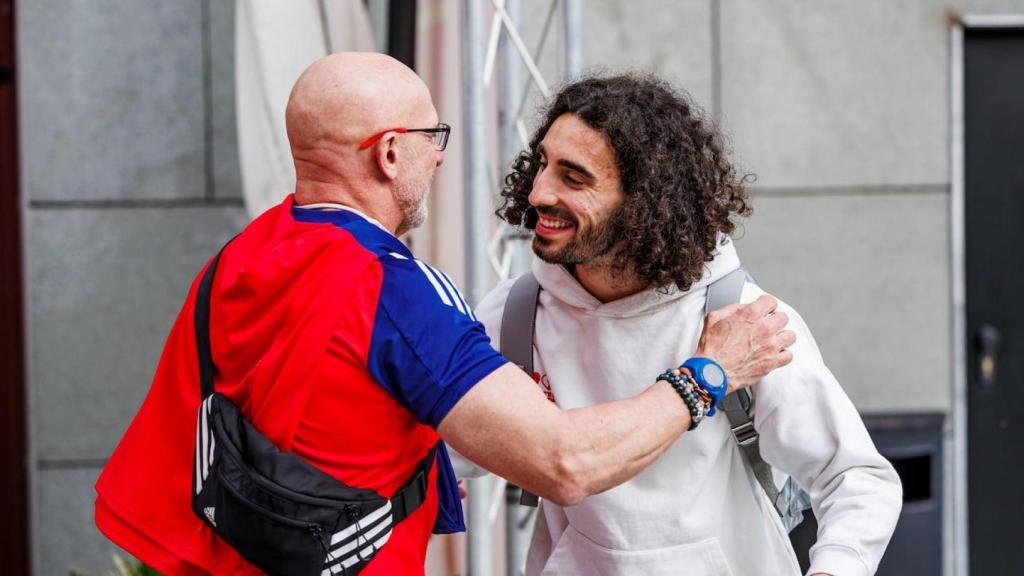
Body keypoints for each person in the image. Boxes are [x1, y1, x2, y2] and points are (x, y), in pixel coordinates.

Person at [93, 54, 793, 575]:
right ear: (391, 152)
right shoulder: (397, 292)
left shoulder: (236, 261)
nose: (439, 156)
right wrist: (710, 372)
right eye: (435, 136)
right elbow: (564, 462)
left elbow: (322, 412)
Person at [471, 74, 903, 576]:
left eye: (573, 177)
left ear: (642, 201)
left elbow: (855, 477)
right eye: (543, 163)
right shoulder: (517, 315)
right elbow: (439, 452)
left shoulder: (742, 318)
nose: (538, 192)